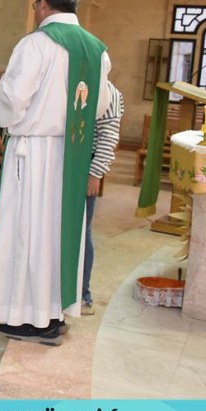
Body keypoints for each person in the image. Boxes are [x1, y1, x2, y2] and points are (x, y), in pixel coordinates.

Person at [0, 0, 111, 346]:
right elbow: (100, 106)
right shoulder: (97, 49)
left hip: (34, 151)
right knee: (59, 233)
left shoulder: (36, 43)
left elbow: (14, 99)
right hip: (71, 155)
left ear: (42, 3)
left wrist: (3, 82)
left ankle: (30, 319)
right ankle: (53, 313)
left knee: (28, 231)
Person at [83, 80, 124, 316]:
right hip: (65, 163)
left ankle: (82, 294)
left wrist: (95, 174)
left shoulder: (109, 92)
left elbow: (109, 138)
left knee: (82, 231)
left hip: (87, 166)